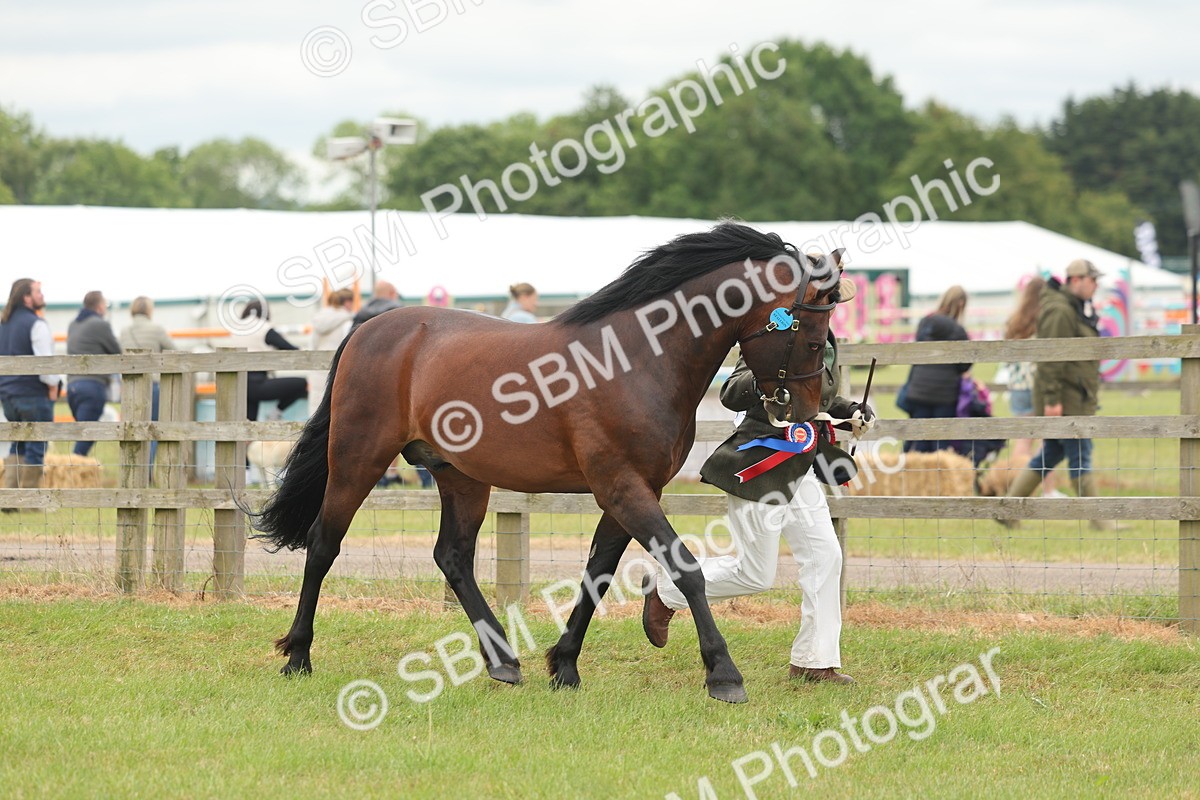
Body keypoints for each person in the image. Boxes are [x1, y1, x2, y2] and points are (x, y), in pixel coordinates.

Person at [642, 269, 871, 685]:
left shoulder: (825, 343)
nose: (830, 306)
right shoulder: (772, 333)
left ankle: (814, 662)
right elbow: (732, 390)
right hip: (758, 464)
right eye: (824, 298)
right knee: (755, 574)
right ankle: (666, 590)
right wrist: (773, 389)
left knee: (825, 556)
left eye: (834, 299)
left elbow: (822, 397)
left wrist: (850, 410)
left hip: (801, 466)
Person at [1001, 259, 1113, 529]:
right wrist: (1052, 401)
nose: (1096, 285)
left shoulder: (1071, 308)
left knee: (1048, 455)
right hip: (1065, 399)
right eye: (1092, 280)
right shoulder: (1061, 311)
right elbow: (1051, 359)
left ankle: (1006, 510)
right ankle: (1099, 521)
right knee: (1080, 455)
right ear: (1076, 280)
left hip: (1073, 395)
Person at [0, 279, 64, 507]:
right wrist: (53, 386)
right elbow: (45, 364)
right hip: (32, 393)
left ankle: (9, 499)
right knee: (37, 445)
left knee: (18, 443)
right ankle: (28, 501)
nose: (41, 295)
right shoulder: (36, 324)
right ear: (27, 297)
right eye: (38, 291)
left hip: (8, 395)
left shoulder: (3, 323)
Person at [1002, 277, 1062, 497]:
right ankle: (1048, 489)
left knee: (1022, 442)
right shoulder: (1044, 318)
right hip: (1037, 385)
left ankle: (1016, 487)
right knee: (1046, 441)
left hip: (1016, 387)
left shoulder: (1013, 321)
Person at [900, 285, 971, 453]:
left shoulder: (926, 321)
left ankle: (911, 476)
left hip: (919, 390)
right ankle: (935, 478)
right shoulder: (959, 331)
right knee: (940, 445)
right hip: (944, 394)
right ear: (961, 304)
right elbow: (964, 364)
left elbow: (916, 352)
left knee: (917, 441)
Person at [119, 296, 178, 467]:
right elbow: (174, 350)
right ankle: (147, 468)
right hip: (152, 384)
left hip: (130, 385)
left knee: (132, 427)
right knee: (152, 427)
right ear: (149, 310)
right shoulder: (157, 329)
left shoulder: (124, 331)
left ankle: (132, 465)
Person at [226, 300, 307, 422]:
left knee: (249, 424)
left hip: (237, 383)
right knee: (302, 384)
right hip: (257, 384)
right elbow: (290, 348)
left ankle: (247, 441)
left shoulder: (236, 329)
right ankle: (275, 414)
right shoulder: (263, 328)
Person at [66, 291, 123, 457]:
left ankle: (75, 468)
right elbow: (116, 351)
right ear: (99, 306)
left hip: (73, 387)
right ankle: (72, 470)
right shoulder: (100, 324)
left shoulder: (73, 324)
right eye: (105, 304)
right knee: (87, 435)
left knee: (83, 433)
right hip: (92, 385)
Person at [309, 288, 355, 403]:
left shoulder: (318, 320)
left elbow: (312, 345)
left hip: (317, 368)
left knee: (316, 406)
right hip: (337, 368)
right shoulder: (347, 322)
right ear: (347, 302)